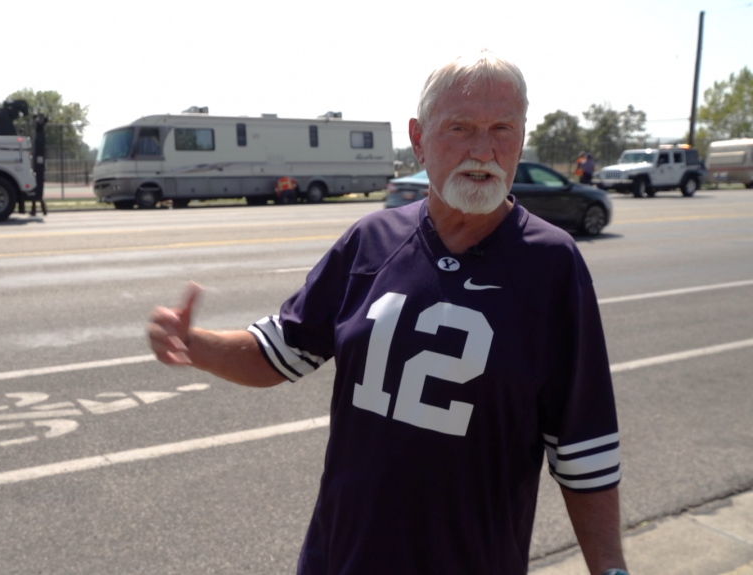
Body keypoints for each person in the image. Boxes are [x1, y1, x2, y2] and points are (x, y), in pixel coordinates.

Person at [148, 50, 627, 575]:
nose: (482, 150)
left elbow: (584, 450)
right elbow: (279, 352)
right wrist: (194, 345)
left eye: (502, 129)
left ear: (522, 136)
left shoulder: (552, 264)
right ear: (419, 139)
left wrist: (611, 569)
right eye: (460, 128)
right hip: (341, 559)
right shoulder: (371, 241)